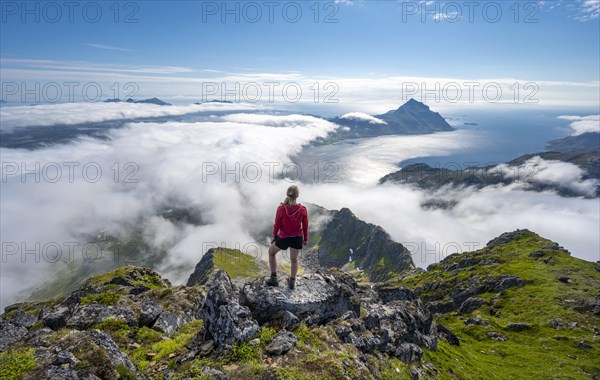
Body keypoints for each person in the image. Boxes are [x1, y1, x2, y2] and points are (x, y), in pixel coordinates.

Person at [266, 185, 308, 289]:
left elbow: (277, 224)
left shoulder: (281, 209)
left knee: (271, 252)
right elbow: (305, 225)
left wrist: (274, 236)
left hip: (284, 237)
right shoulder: (302, 209)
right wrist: (305, 238)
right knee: (294, 259)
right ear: (297, 195)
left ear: (287, 194)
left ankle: (273, 278)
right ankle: (292, 282)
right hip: (297, 237)